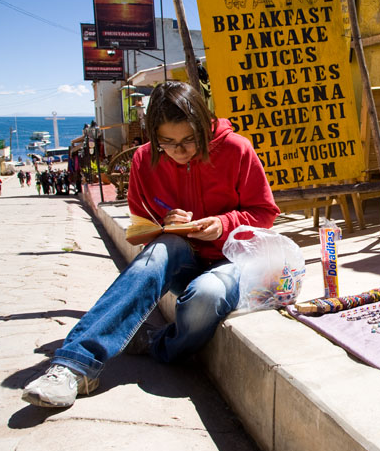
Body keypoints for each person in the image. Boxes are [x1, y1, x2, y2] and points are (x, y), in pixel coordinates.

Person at [22, 81, 280, 408]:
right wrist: (167, 225)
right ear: (154, 137)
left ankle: (159, 343)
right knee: (157, 254)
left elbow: (265, 212)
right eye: (167, 143)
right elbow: (141, 225)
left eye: (189, 140)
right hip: (178, 258)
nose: (180, 151)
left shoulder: (237, 149)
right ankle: (74, 365)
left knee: (208, 296)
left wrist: (224, 224)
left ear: (204, 125)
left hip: (230, 261)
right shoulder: (146, 160)